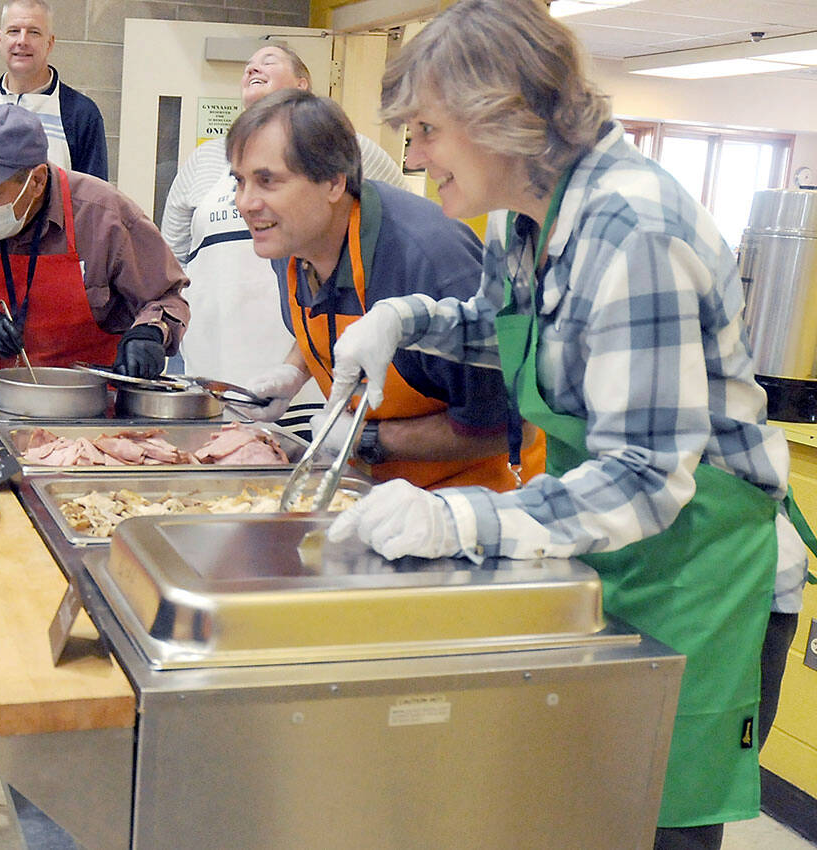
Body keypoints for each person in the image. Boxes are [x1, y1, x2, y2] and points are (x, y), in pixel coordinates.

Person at [323, 2, 810, 847]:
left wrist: (457, 518)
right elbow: (512, 330)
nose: (413, 157)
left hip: (698, 573)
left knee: (646, 826)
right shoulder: (530, 219)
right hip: (613, 555)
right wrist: (404, 319)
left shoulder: (635, 230)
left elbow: (645, 478)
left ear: (502, 114)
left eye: (427, 130)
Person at [227, 88, 543, 491]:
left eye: (268, 181)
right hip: (375, 489)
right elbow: (330, 321)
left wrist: (369, 440)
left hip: (480, 502)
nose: (245, 202)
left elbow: (513, 427)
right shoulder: (290, 242)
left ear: (333, 183)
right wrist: (293, 371)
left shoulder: (431, 262)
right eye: (240, 181)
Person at [162, 44, 408, 412]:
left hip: (304, 364)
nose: (252, 68)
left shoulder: (349, 149)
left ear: (303, 85)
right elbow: (172, 254)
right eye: (247, 66)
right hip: (216, 361)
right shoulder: (204, 160)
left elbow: (398, 225)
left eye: (268, 61)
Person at [0, 103, 188, 385]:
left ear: (36, 181)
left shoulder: (103, 215)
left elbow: (166, 296)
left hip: (99, 405)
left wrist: (151, 332)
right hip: (1, 400)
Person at [0, 0, 108, 181]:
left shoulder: (82, 114)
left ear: (50, 42)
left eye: (34, 32)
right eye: (14, 31)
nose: (22, 41)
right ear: (0, 39)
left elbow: (95, 200)